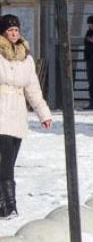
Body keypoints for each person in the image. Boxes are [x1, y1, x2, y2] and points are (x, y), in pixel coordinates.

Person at [0, 14, 53, 218]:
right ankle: (8, 206)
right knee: (4, 162)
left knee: (9, 162)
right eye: (9, 31)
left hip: (17, 116)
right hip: (1, 113)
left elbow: (33, 89)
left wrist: (43, 114)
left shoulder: (26, 58)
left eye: (16, 30)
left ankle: (6, 205)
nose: (14, 34)